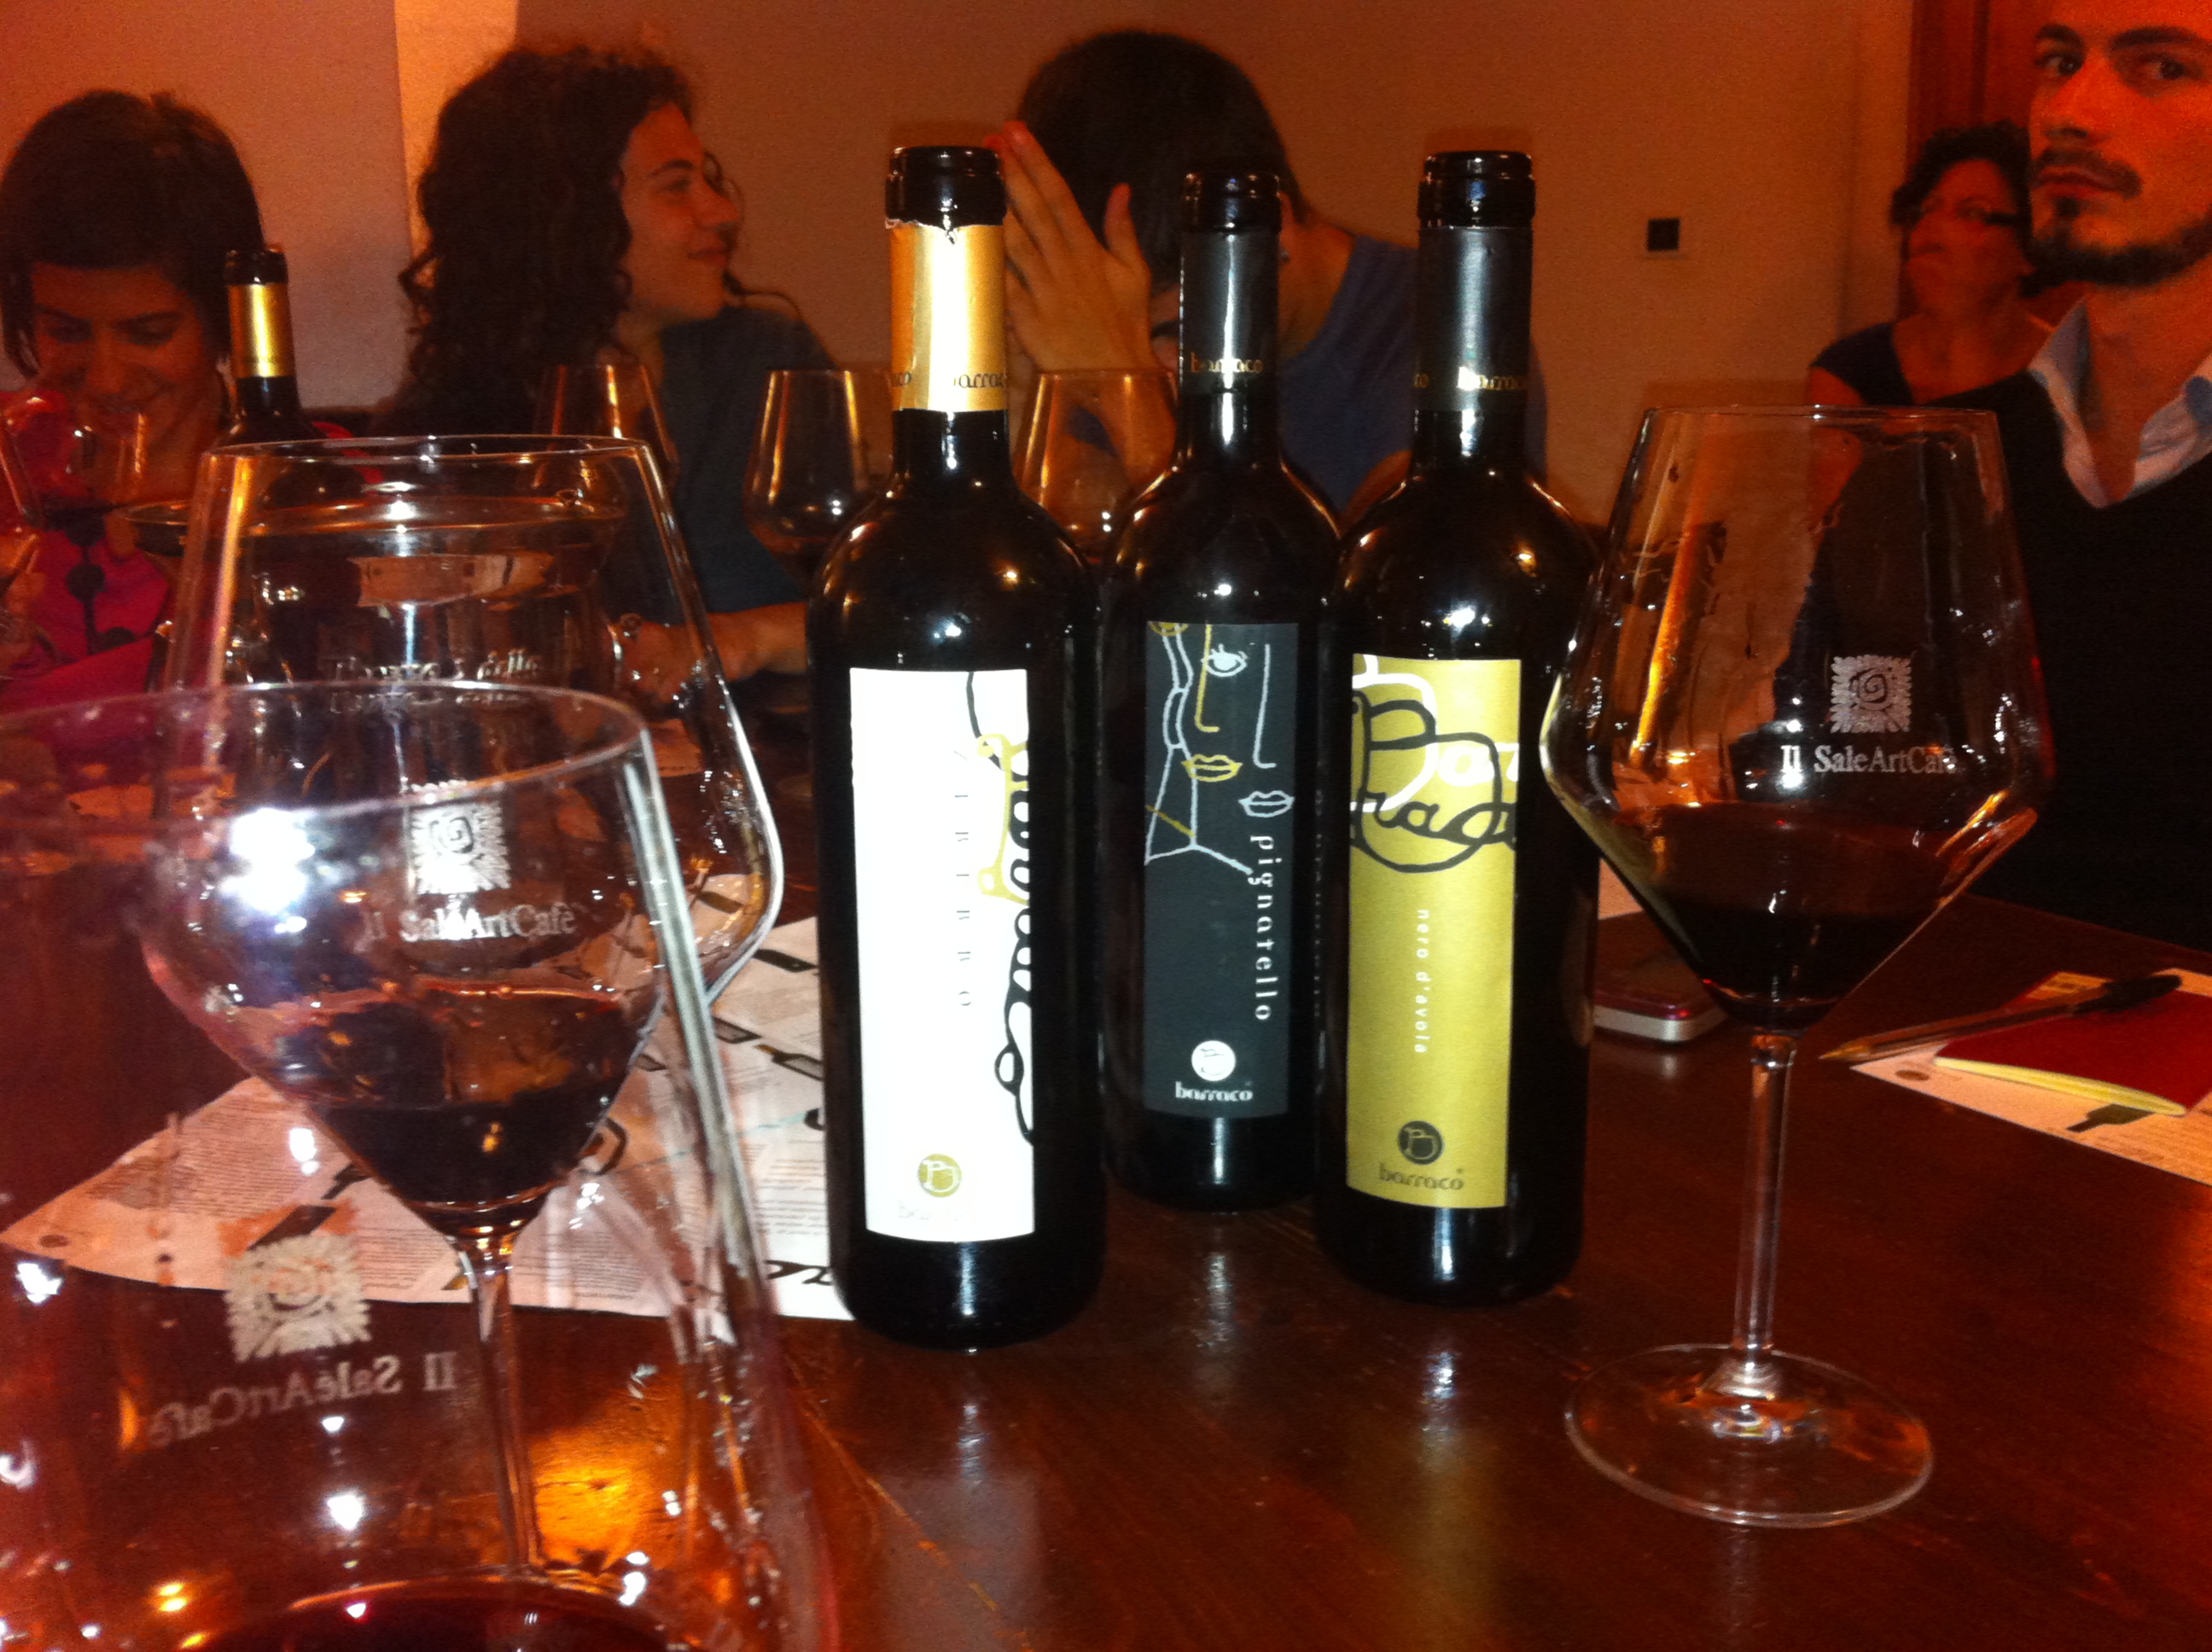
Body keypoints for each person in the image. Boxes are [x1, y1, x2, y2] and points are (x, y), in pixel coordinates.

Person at [383, 46, 827, 678]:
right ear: (566, 215)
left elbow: (896, 602)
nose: (722, 211)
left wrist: (737, 640)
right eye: (677, 186)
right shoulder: (449, 433)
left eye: (709, 180)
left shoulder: (771, 366)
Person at [997, 31, 1547, 522]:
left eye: (1174, 333)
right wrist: (1020, 392)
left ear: (1265, 227)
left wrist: (1121, 382)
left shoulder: (1452, 324)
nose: (1168, 373)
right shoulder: (1078, 327)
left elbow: (1379, 584)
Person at [1946, 0, 2212, 947]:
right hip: (1926, 1015)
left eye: (2163, 67)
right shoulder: (1940, 465)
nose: (2069, 111)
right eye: (2060, 62)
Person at [0, 90, 262, 710]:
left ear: (224, 318)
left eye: (148, 334)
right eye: (66, 331)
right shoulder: (11, 468)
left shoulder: (312, 484)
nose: (108, 381)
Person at [1807, 122, 2051, 404]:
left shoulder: (2068, 368)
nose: (1934, 226)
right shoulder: (1853, 368)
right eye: (1929, 208)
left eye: (1972, 213)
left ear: (2030, 247)